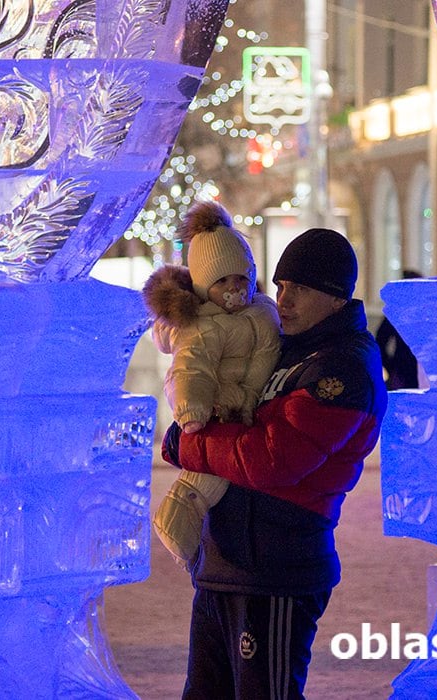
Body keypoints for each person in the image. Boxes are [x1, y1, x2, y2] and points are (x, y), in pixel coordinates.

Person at [162, 227, 387, 699]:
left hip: (278, 570)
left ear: (334, 296)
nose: (283, 300)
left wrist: (186, 445)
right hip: (225, 562)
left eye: (299, 290)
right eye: (280, 286)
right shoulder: (287, 345)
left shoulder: (342, 369)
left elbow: (271, 459)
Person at [143, 201, 280, 568]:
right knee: (205, 480)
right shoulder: (203, 324)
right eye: (223, 282)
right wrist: (193, 409)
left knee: (220, 481)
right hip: (214, 405)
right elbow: (192, 368)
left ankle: (193, 541)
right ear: (205, 287)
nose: (235, 288)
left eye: (241, 278)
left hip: (242, 402)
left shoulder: (264, 311)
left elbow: (267, 355)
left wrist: (252, 395)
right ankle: (176, 528)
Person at [375, 269, 423, 390]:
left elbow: (380, 340)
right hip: (407, 371)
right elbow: (380, 341)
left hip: (404, 371)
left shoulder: (397, 312)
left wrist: (392, 367)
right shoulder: (399, 312)